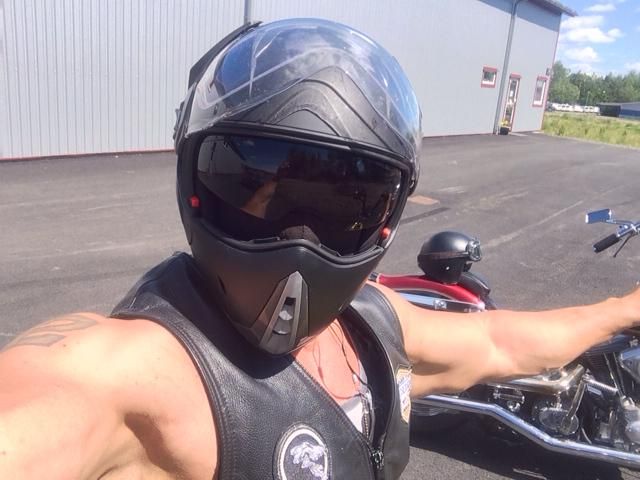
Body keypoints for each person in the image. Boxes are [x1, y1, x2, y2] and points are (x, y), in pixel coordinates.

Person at [1, 18, 639, 480]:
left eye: (339, 203)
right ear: (195, 177)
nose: (297, 241)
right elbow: (40, 408)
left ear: (386, 214)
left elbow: (500, 342)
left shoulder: (373, 325)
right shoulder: (136, 372)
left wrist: (621, 308)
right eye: (257, 188)